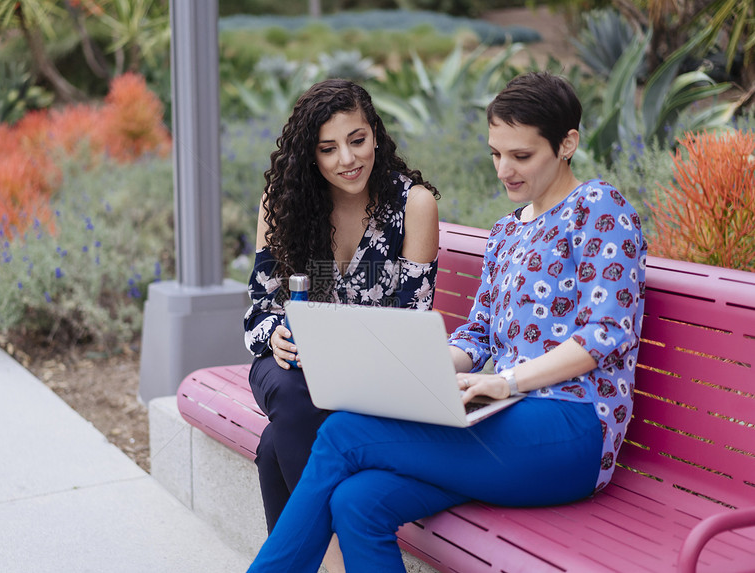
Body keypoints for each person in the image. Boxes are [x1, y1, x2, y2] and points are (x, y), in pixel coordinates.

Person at [246, 71, 648, 572]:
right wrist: (419, 370)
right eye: (497, 154)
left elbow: (604, 335)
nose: (505, 170)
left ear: (567, 143)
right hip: (499, 416)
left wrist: (506, 381)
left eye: (521, 156)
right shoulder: (506, 232)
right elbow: (478, 334)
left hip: (572, 425)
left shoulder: (599, 209)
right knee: (358, 502)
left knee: (343, 433)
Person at [243, 78, 441, 547]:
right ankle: (339, 562)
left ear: (375, 133)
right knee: (294, 393)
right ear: (310, 155)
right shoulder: (282, 206)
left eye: (357, 140)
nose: (348, 160)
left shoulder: (413, 206)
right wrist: (277, 336)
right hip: (290, 370)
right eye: (328, 149)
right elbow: (257, 314)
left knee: (276, 445)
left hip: (371, 383)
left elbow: (411, 326)